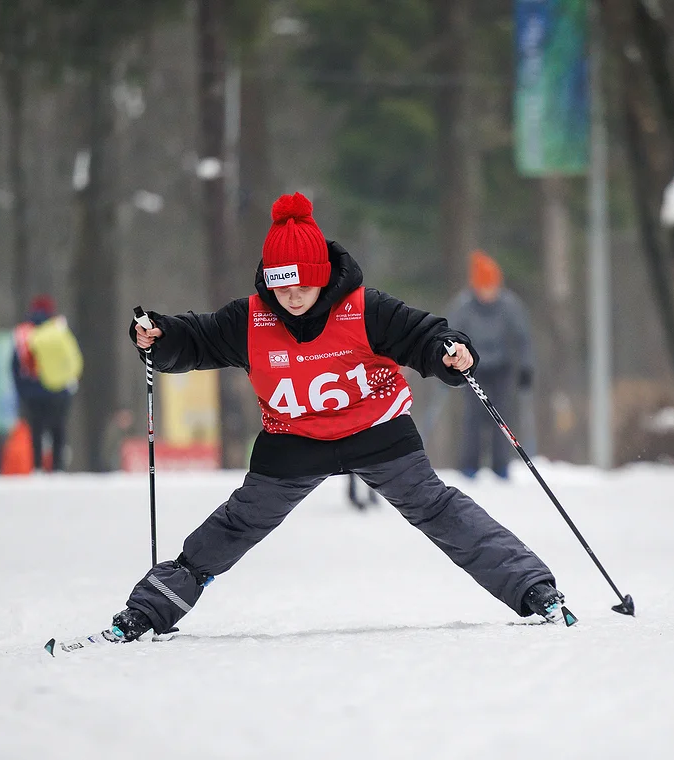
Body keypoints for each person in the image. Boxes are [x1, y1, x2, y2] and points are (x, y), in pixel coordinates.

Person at [108, 192, 568, 641]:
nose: (291, 298)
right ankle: (150, 609)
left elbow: (421, 334)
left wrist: (447, 351)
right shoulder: (250, 320)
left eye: (302, 287)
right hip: (295, 439)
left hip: (377, 430)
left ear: (323, 277)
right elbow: (196, 339)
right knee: (239, 522)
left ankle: (532, 588)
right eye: (281, 287)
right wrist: (159, 335)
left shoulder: (364, 308)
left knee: (436, 507)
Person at [447, 251, 534, 479]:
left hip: (501, 368)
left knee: (501, 415)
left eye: (492, 286)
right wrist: (447, 365)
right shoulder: (463, 306)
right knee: (473, 417)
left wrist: (526, 366)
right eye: (484, 287)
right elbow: (449, 335)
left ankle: (501, 466)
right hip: (472, 369)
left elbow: (522, 336)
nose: (488, 292)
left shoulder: (509, 305)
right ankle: (469, 466)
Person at [12, 295, 83, 472]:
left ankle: (37, 466)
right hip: (59, 389)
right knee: (58, 428)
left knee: (36, 429)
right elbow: (72, 357)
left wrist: (22, 391)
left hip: (33, 392)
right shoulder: (59, 330)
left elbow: (15, 365)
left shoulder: (25, 333)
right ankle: (57, 466)